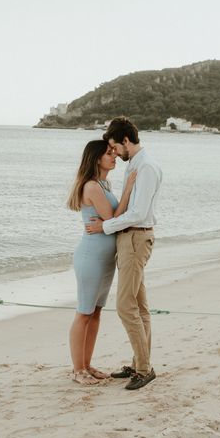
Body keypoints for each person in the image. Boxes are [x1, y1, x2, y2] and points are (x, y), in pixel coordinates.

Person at [86, 116, 162, 390]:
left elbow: (138, 213)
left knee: (125, 306)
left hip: (135, 239)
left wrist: (106, 226)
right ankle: (139, 362)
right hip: (132, 239)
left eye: (115, 147)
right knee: (139, 307)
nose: (114, 152)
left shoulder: (147, 168)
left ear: (126, 141)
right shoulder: (139, 166)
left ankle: (144, 368)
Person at [67, 139, 137, 385]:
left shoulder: (103, 184)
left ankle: (87, 365)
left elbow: (108, 224)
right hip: (91, 258)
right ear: (97, 158)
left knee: (96, 313)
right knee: (84, 313)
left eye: (114, 152)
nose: (114, 156)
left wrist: (107, 224)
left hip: (105, 259)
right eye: (109, 153)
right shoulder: (92, 187)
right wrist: (128, 189)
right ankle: (78, 370)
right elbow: (112, 219)